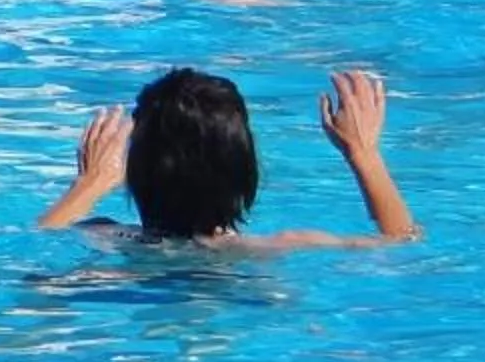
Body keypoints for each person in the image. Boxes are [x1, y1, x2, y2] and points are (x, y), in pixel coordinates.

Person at [35, 67, 419, 248]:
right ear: (244, 169)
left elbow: (36, 247)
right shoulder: (273, 250)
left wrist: (89, 185)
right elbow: (403, 245)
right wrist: (364, 154)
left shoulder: (103, 236)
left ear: (137, 170)